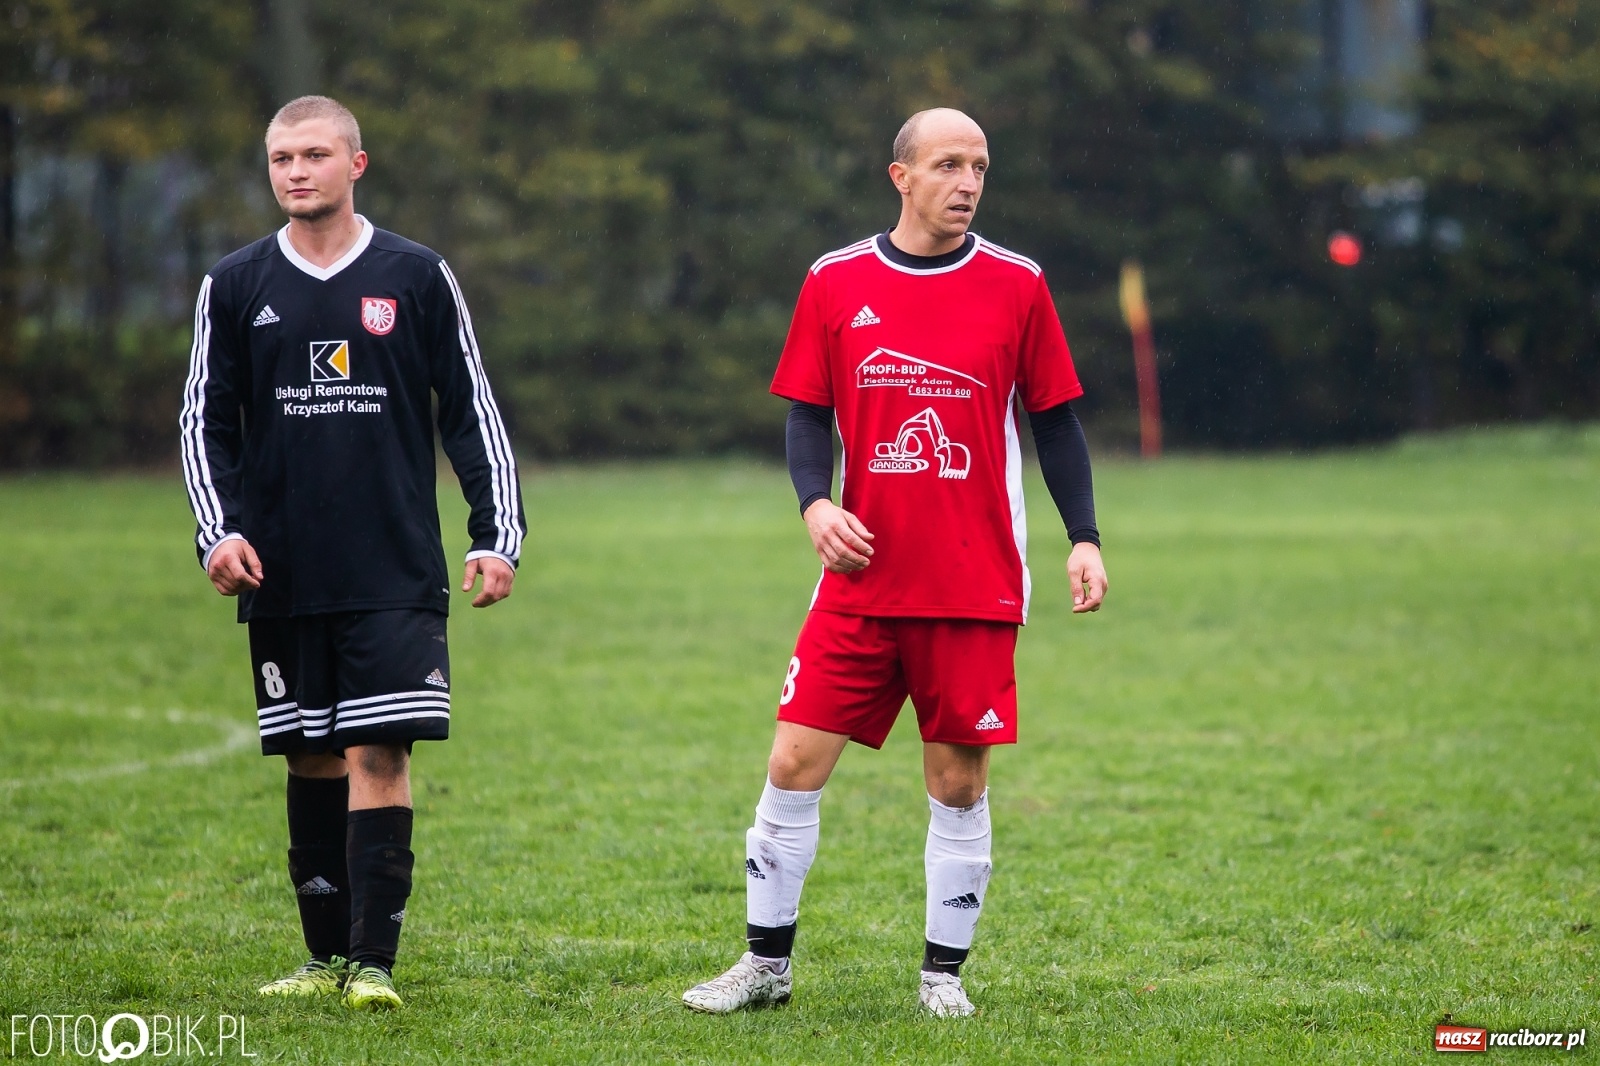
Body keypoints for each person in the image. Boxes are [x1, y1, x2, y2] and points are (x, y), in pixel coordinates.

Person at [682, 108, 1107, 1018]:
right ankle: (765, 966)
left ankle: (940, 977)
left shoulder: (1017, 283)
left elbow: (1056, 421)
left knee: (957, 783)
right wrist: (816, 503)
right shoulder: (837, 281)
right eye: (948, 165)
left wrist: (1085, 538)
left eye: (981, 167)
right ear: (900, 176)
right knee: (792, 761)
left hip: (972, 584)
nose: (967, 183)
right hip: (860, 581)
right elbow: (805, 409)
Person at [178, 95, 524, 1010]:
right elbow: (201, 424)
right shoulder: (236, 283)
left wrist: (495, 534)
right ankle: (323, 957)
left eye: (316, 155)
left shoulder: (415, 275)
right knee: (310, 756)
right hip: (283, 570)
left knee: (379, 751)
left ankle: (374, 964)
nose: (297, 171)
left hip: (394, 569)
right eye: (282, 157)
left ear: (356, 165)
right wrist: (221, 531)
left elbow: (471, 410)